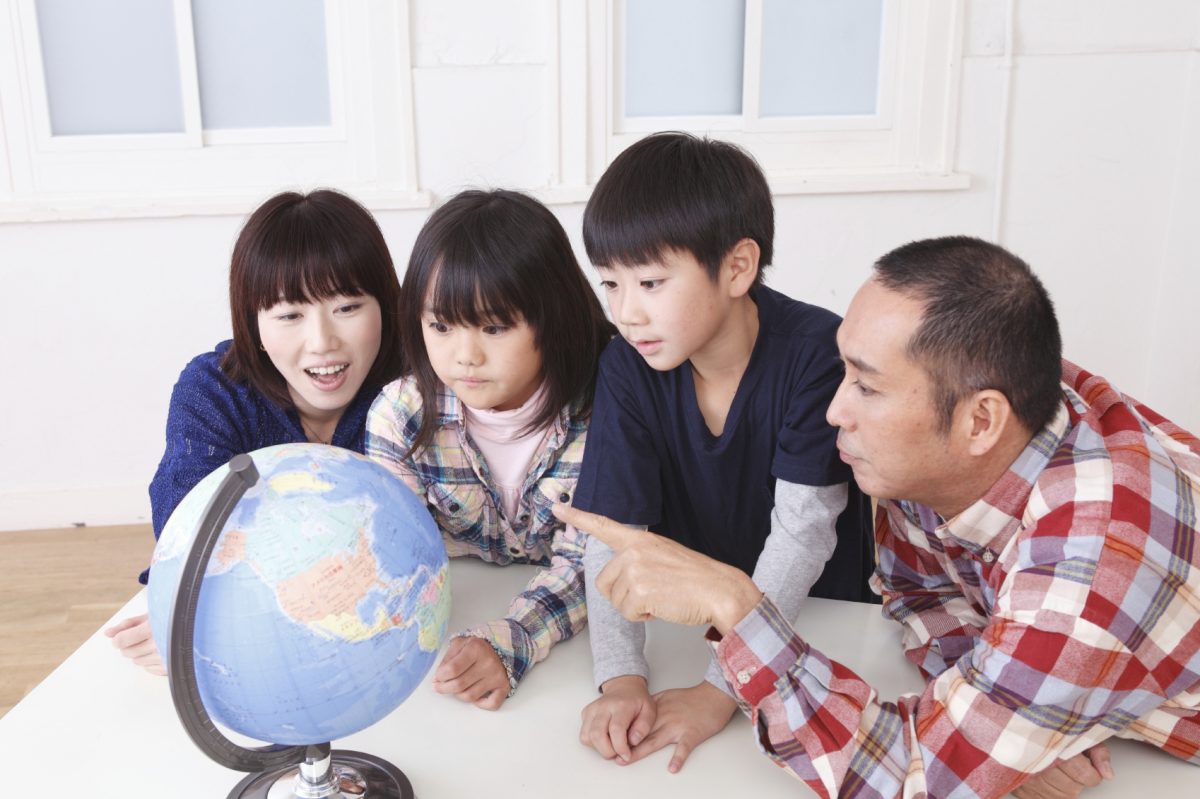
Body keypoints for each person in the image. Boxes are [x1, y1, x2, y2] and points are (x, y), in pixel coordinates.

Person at [554, 235, 1200, 799]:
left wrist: (738, 606)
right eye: (844, 372)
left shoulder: (1088, 565)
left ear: (981, 420)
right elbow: (920, 589)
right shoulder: (976, 422)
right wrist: (1008, 723)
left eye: (866, 385)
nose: (834, 411)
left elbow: (907, 776)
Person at [571, 132, 876, 772]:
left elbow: (803, 535)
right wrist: (622, 678)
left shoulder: (815, 353)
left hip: (819, 625)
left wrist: (721, 691)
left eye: (651, 282)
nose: (627, 312)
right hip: (689, 621)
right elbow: (612, 533)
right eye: (610, 284)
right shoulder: (627, 365)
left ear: (737, 267)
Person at [105, 189, 405, 675]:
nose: (322, 342)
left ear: (386, 307)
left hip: (383, 637)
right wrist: (185, 622)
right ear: (254, 325)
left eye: (348, 307)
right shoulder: (215, 388)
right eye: (289, 316)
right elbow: (185, 522)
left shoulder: (418, 384)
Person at [365, 189, 616, 710]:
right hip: (440, 640)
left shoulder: (609, 408)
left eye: (495, 327)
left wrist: (512, 638)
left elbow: (591, 561)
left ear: (552, 317)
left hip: (579, 664)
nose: (464, 356)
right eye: (440, 325)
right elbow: (396, 557)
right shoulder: (401, 416)